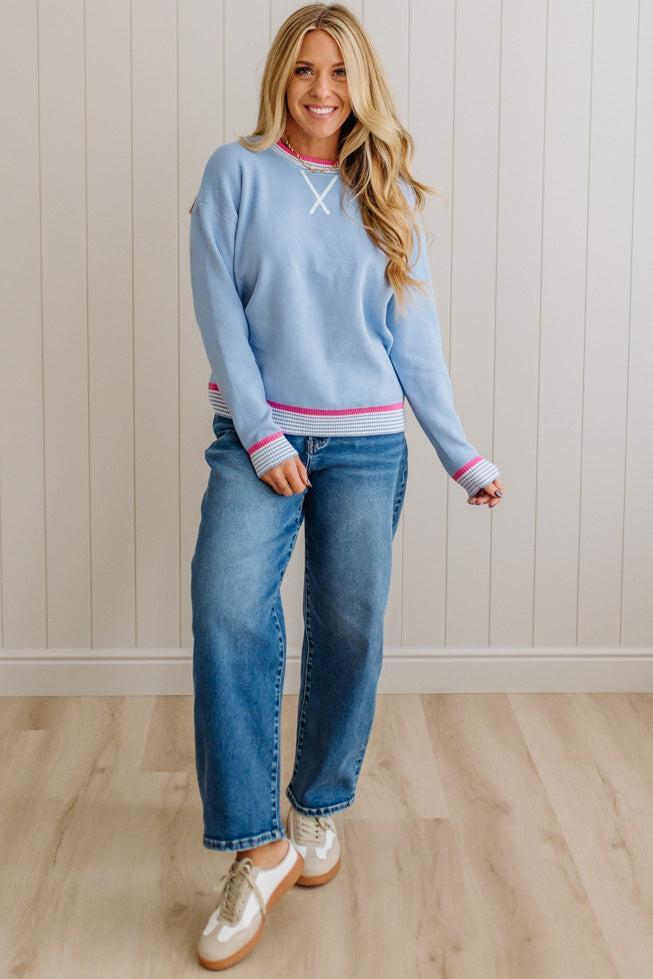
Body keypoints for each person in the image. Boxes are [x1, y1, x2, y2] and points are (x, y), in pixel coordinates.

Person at [188, 3, 503, 970]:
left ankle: (317, 809)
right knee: (227, 608)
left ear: (360, 85)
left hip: (368, 446)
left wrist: (460, 454)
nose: (320, 91)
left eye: (337, 73)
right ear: (279, 77)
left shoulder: (390, 190)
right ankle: (255, 845)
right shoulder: (234, 173)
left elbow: (416, 344)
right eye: (302, 71)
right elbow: (220, 316)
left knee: (349, 626)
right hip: (259, 440)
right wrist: (264, 430)